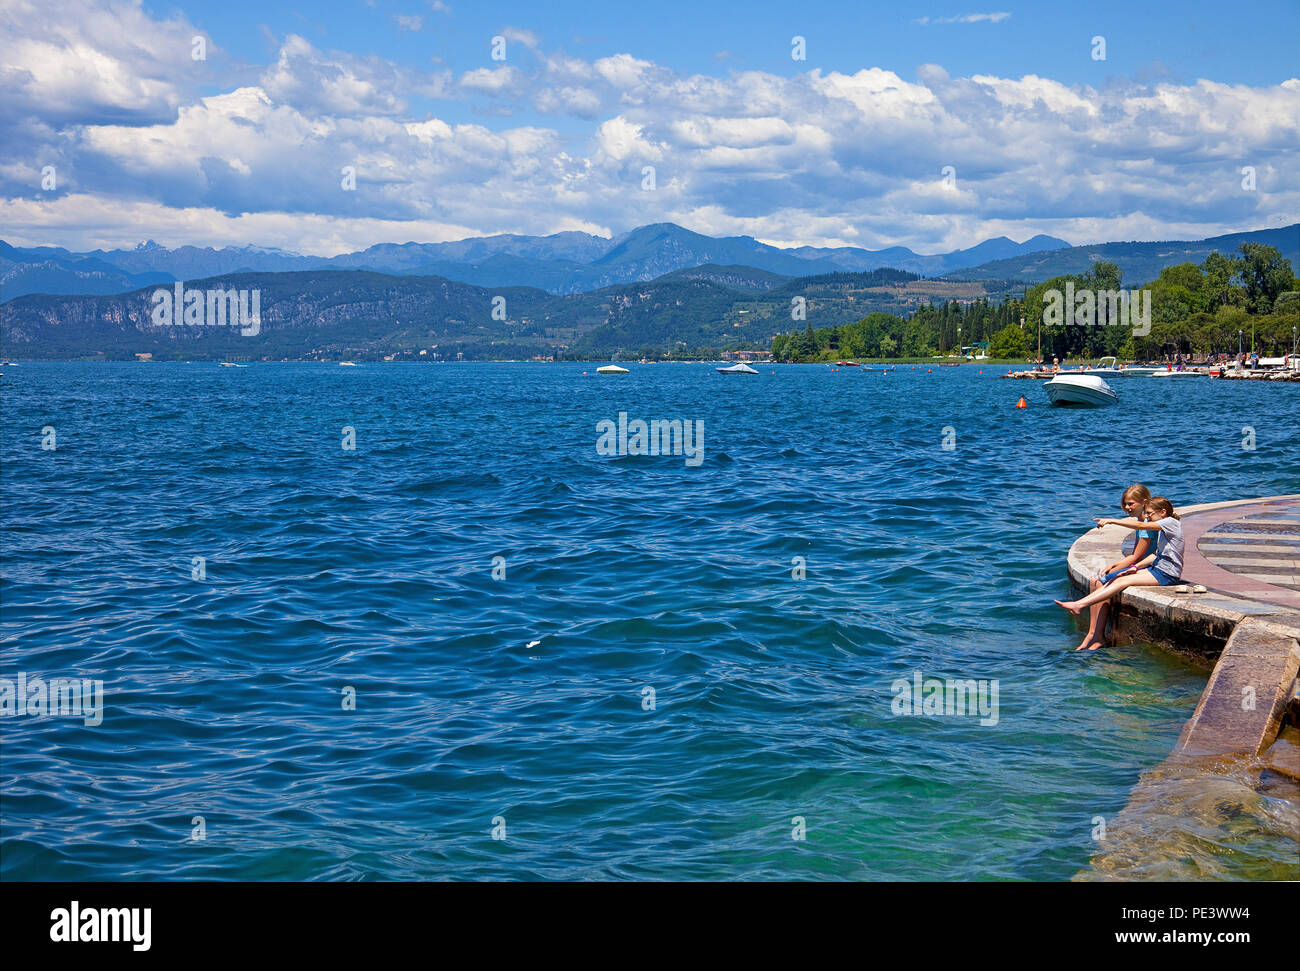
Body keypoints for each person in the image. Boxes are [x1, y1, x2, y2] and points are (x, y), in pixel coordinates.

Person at [1055, 497, 1184, 616]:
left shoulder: (1170, 522)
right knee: (1117, 577)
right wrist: (1135, 566)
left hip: (1167, 574)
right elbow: (1156, 554)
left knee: (1122, 582)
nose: (1147, 517)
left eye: (1150, 513)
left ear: (1162, 512)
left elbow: (1141, 525)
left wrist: (1112, 520)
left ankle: (1079, 604)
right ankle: (1080, 603)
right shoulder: (1164, 529)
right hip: (1157, 569)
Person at [1074, 485, 1157, 651]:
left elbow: (1137, 557)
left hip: (1146, 566)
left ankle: (1098, 636)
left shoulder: (1146, 525)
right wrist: (1115, 565)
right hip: (1137, 563)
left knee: (1101, 582)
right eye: (1125, 504)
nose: (1127, 508)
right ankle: (1092, 634)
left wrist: (1115, 570)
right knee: (1094, 581)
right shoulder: (1140, 522)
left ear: (1144, 502)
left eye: (1131, 504)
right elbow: (1134, 554)